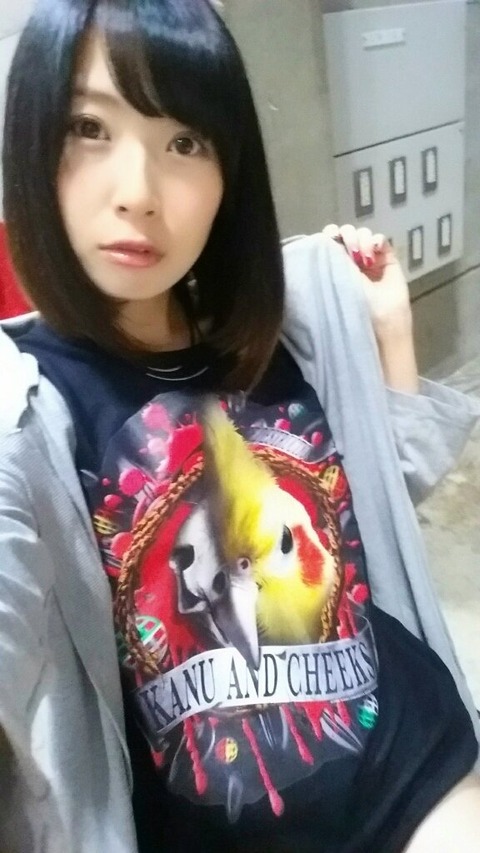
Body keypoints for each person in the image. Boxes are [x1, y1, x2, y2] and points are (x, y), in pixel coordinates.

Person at [0, 1, 479, 851]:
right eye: (89, 127)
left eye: (185, 141)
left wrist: (389, 326)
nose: (139, 193)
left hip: (411, 766)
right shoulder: (25, 405)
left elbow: (378, 501)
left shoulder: (281, 325)